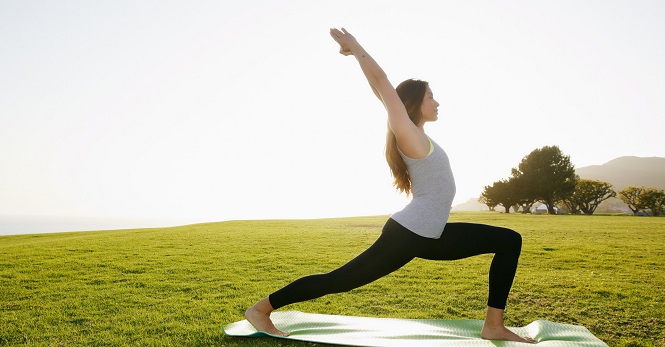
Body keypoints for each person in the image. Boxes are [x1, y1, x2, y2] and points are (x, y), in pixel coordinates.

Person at [244, 28, 537, 344]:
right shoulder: (408, 133)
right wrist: (356, 48)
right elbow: (383, 84)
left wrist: (358, 59)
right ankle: (261, 309)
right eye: (430, 97)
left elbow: (379, 90)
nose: (437, 102)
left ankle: (493, 325)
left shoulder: (417, 134)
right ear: (415, 103)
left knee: (509, 240)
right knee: (341, 280)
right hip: (409, 233)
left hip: (431, 234)